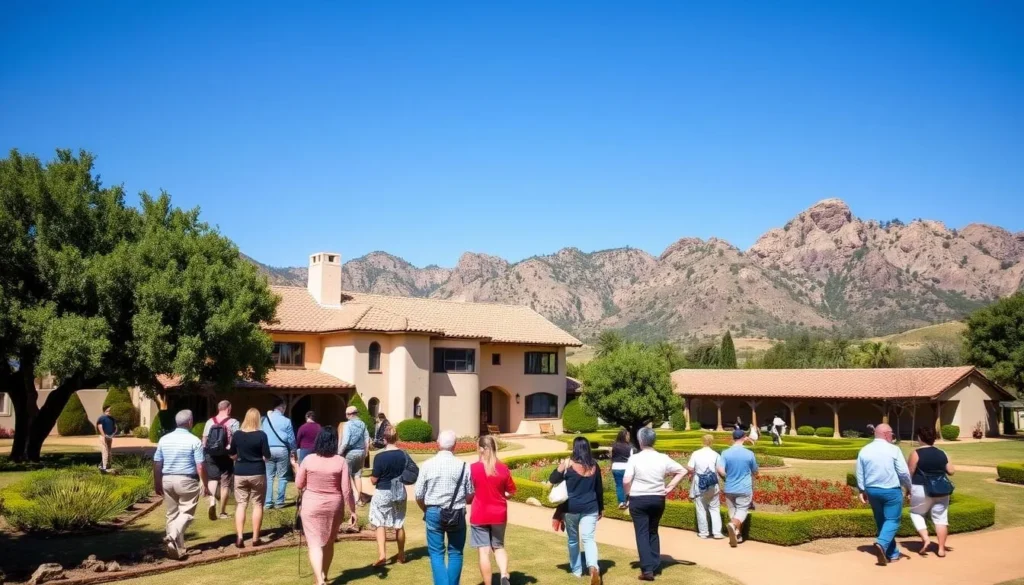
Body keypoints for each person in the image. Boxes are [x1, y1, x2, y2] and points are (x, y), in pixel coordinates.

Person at [291, 426, 358, 585]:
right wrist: (353, 511)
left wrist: (295, 467)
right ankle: (323, 576)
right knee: (328, 542)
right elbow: (346, 490)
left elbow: (299, 484)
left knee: (314, 544)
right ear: (335, 442)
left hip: (311, 505)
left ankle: (320, 580)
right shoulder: (340, 461)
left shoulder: (308, 459)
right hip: (333, 506)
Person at [624, 427, 686, 581]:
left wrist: (628, 493)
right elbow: (682, 471)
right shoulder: (662, 457)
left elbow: (626, 480)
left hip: (639, 498)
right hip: (657, 498)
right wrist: (670, 487)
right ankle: (655, 564)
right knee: (653, 531)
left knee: (642, 533)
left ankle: (647, 569)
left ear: (640, 441)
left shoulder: (635, 458)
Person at [415, 430, 476, 585]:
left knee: (436, 553)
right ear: (455, 446)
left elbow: (419, 495)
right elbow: (470, 494)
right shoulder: (464, 466)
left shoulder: (427, 465)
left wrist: (426, 509)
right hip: (456, 511)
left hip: (433, 510)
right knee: (455, 553)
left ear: (437, 444)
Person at [153, 410, 209, 560]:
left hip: (167, 480)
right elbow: (200, 466)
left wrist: (157, 481)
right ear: (190, 422)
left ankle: (177, 547)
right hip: (186, 480)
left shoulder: (164, 439)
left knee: (171, 514)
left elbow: (157, 463)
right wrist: (205, 483)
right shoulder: (194, 440)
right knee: (186, 513)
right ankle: (172, 535)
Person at [855, 423, 912, 565]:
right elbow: (904, 472)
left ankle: (892, 553)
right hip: (891, 490)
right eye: (892, 433)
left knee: (882, 521)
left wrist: (862, 490)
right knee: (893, 520)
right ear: (886, 434)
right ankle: (881, 544)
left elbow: (859, 472)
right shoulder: (894, 449)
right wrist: (910, 488)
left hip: (872, 490)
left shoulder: (864, 450)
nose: (893, 436)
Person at [549, 437, 603, 585]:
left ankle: (577, 570)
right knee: (589, 539)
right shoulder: (594, 466)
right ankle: (593, 567)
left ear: (575, 448)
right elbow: (599, 489)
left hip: (571, 508)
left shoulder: (568, 464)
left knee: (573, 540)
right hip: (591, 507)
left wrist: (561, 467)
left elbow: (552, 479)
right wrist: (601, 508)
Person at [470, 435, 517, 585]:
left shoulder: (473, 468)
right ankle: (503, 574)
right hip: (498, 513)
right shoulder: (503, 469)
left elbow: (469, 491)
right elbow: (510, 491)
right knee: (498, 546)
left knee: (484, 551)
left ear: (482, 449)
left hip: (480, 513)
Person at [908, 426, 955, 557]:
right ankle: (941, 549)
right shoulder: (942, 453)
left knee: (916, 513)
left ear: (919, 438)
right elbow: (951, 471)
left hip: (920, 488)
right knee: (941, 519)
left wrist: (907, 489)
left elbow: (910, 472)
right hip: (941, 489)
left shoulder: (916, 453)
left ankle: (926, 538)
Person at [229, 407, 271, 548]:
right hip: (257, 471)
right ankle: (255, 537)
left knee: (241, 504)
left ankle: (240, 537)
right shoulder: (261, 435)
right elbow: (267, 455)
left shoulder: (237, 435)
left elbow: (232, 453)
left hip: (240, 471)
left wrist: (239, 457)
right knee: (257, 504)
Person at [369, 425, 408, 567]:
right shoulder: (404, 455)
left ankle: (382, 555)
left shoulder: (380, 457)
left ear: (384, 439)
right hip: (399, 490)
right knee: (399, 523)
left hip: (383, 491)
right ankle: (401, 553)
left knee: (380, 522)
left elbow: (374, 479)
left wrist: (371, 479)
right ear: (396, 438)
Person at [718, 428, 759, 548]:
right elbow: (755, 470)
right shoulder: (749, 454)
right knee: (741, 510)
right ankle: (733, 525)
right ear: (744, 438)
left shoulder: (725, 452)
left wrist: (726, 476)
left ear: (733, 438)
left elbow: (720, 469)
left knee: (733, 511)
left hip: (729, 487)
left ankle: (737, 534)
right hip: (744, 487)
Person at [202, 400, 240, 520]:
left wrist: (206, 452)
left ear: (219, 408)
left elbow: (204, 439)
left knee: (213, 479)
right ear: (228, 409)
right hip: (226, 454)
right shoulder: (233, 422)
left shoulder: (209, 421)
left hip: (211, 454)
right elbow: (236, 439)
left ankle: (212, 501)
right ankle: (222, 512)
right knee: (225, 483)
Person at [686, 434, 724, 540]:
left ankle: (704, 532)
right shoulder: (716, 454)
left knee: (701, 508)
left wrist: (692, 472)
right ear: (712, 442)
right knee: (715, 508)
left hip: (700, 483)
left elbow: (690, 467)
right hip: (712, 483)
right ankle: (717, 533)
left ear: (702, 441)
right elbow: (720, 469)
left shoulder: (696, 453)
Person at [262, 398, 296, 509]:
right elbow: (291, 438)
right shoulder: (286, 421)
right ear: (281, 407)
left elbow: (262, 436)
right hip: (282, 450)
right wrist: (293, 451)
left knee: (269, 476)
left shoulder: (266, 420)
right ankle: (279, 501)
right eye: (284, 408)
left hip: (268, 450)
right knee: (282, 476)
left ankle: (268, 502)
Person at [339, 405, 370, 506]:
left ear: (350, 414)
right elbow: (367, 438)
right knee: (357, 476)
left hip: (350, 452)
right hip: (361, 452)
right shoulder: (362, 424)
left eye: (347, 414)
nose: (346, 416)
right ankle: (359, 499)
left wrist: (339, 452)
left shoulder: (348, 425)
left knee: (347, 475)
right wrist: (366, 451)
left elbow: (345, 441)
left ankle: (352, 497)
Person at [610, 429, 634, 510]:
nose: (628, 437)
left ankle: (621, 502)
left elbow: (611, 457)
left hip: (616, 467)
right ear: (624, 436)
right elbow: (631, 459)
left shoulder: (614, 445)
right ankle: (628, 501)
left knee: (619, 485)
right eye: (627, 435)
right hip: (625, 467)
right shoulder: (629, 447)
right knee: (628, 484)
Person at [96, 405, 117, 472]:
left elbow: (115, 427)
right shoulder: (102, 418)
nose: (109, 412)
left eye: (110, 411)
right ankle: (104, 467)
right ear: (105, 411)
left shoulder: (112, 419)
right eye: (108, 411)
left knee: (109, 451)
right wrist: (104, 435)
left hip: (110, 437)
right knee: (105, 451)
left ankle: (107, 465)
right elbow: (100, 426)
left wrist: (113, 434)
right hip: (103, 437)